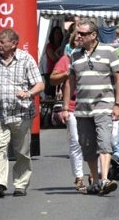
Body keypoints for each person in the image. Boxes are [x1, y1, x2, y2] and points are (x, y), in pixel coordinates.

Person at [0, 28, 44, 198]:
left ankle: (20, 184)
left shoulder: (26, 60)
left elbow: (40, 85)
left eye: (2, 42)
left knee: (21, 151)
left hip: (21, 114)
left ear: (14, 44)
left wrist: (28, 93)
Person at [61, 19, 119, 196]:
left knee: (104, 142)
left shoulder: (109, 51)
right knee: (87, 146)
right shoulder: (74, 54)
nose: (78, 36)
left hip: (104, 105)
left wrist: (118, 105)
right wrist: (66, 107)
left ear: (93, 35)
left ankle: (104, 179)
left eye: (82, 33)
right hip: (82, 108)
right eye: (77, 33)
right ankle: (95, 181)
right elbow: (70, 82)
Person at [50, 32, 86, 192]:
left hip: (92, 106)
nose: (80, 40)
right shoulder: (67, 59)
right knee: (76, 141)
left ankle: (96, 173)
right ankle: (79, 176)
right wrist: (67, 73)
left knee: (97, 142)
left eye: (82, 37)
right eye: (77, 38)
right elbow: (52, 78)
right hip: (72, 106)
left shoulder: (94, 57)